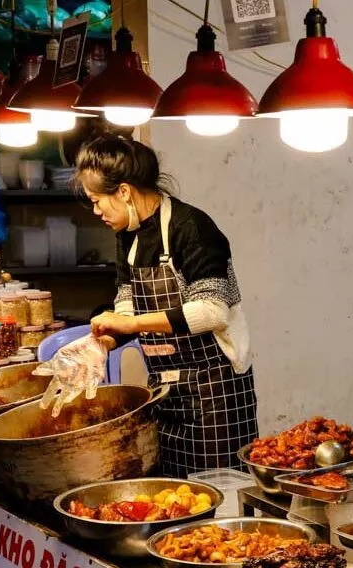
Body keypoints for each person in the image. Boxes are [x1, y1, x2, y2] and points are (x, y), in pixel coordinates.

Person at [51, 133, 258, 475]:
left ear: (124, 192)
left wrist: (131, 325)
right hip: (166, 389)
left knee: (219, 496)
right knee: (176, 493)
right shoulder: (128, 235)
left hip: (215, 393)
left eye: (97, 200)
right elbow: (128, 300)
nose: (95, 210)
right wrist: (104, 342)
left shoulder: (191, 227)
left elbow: (212, 310)